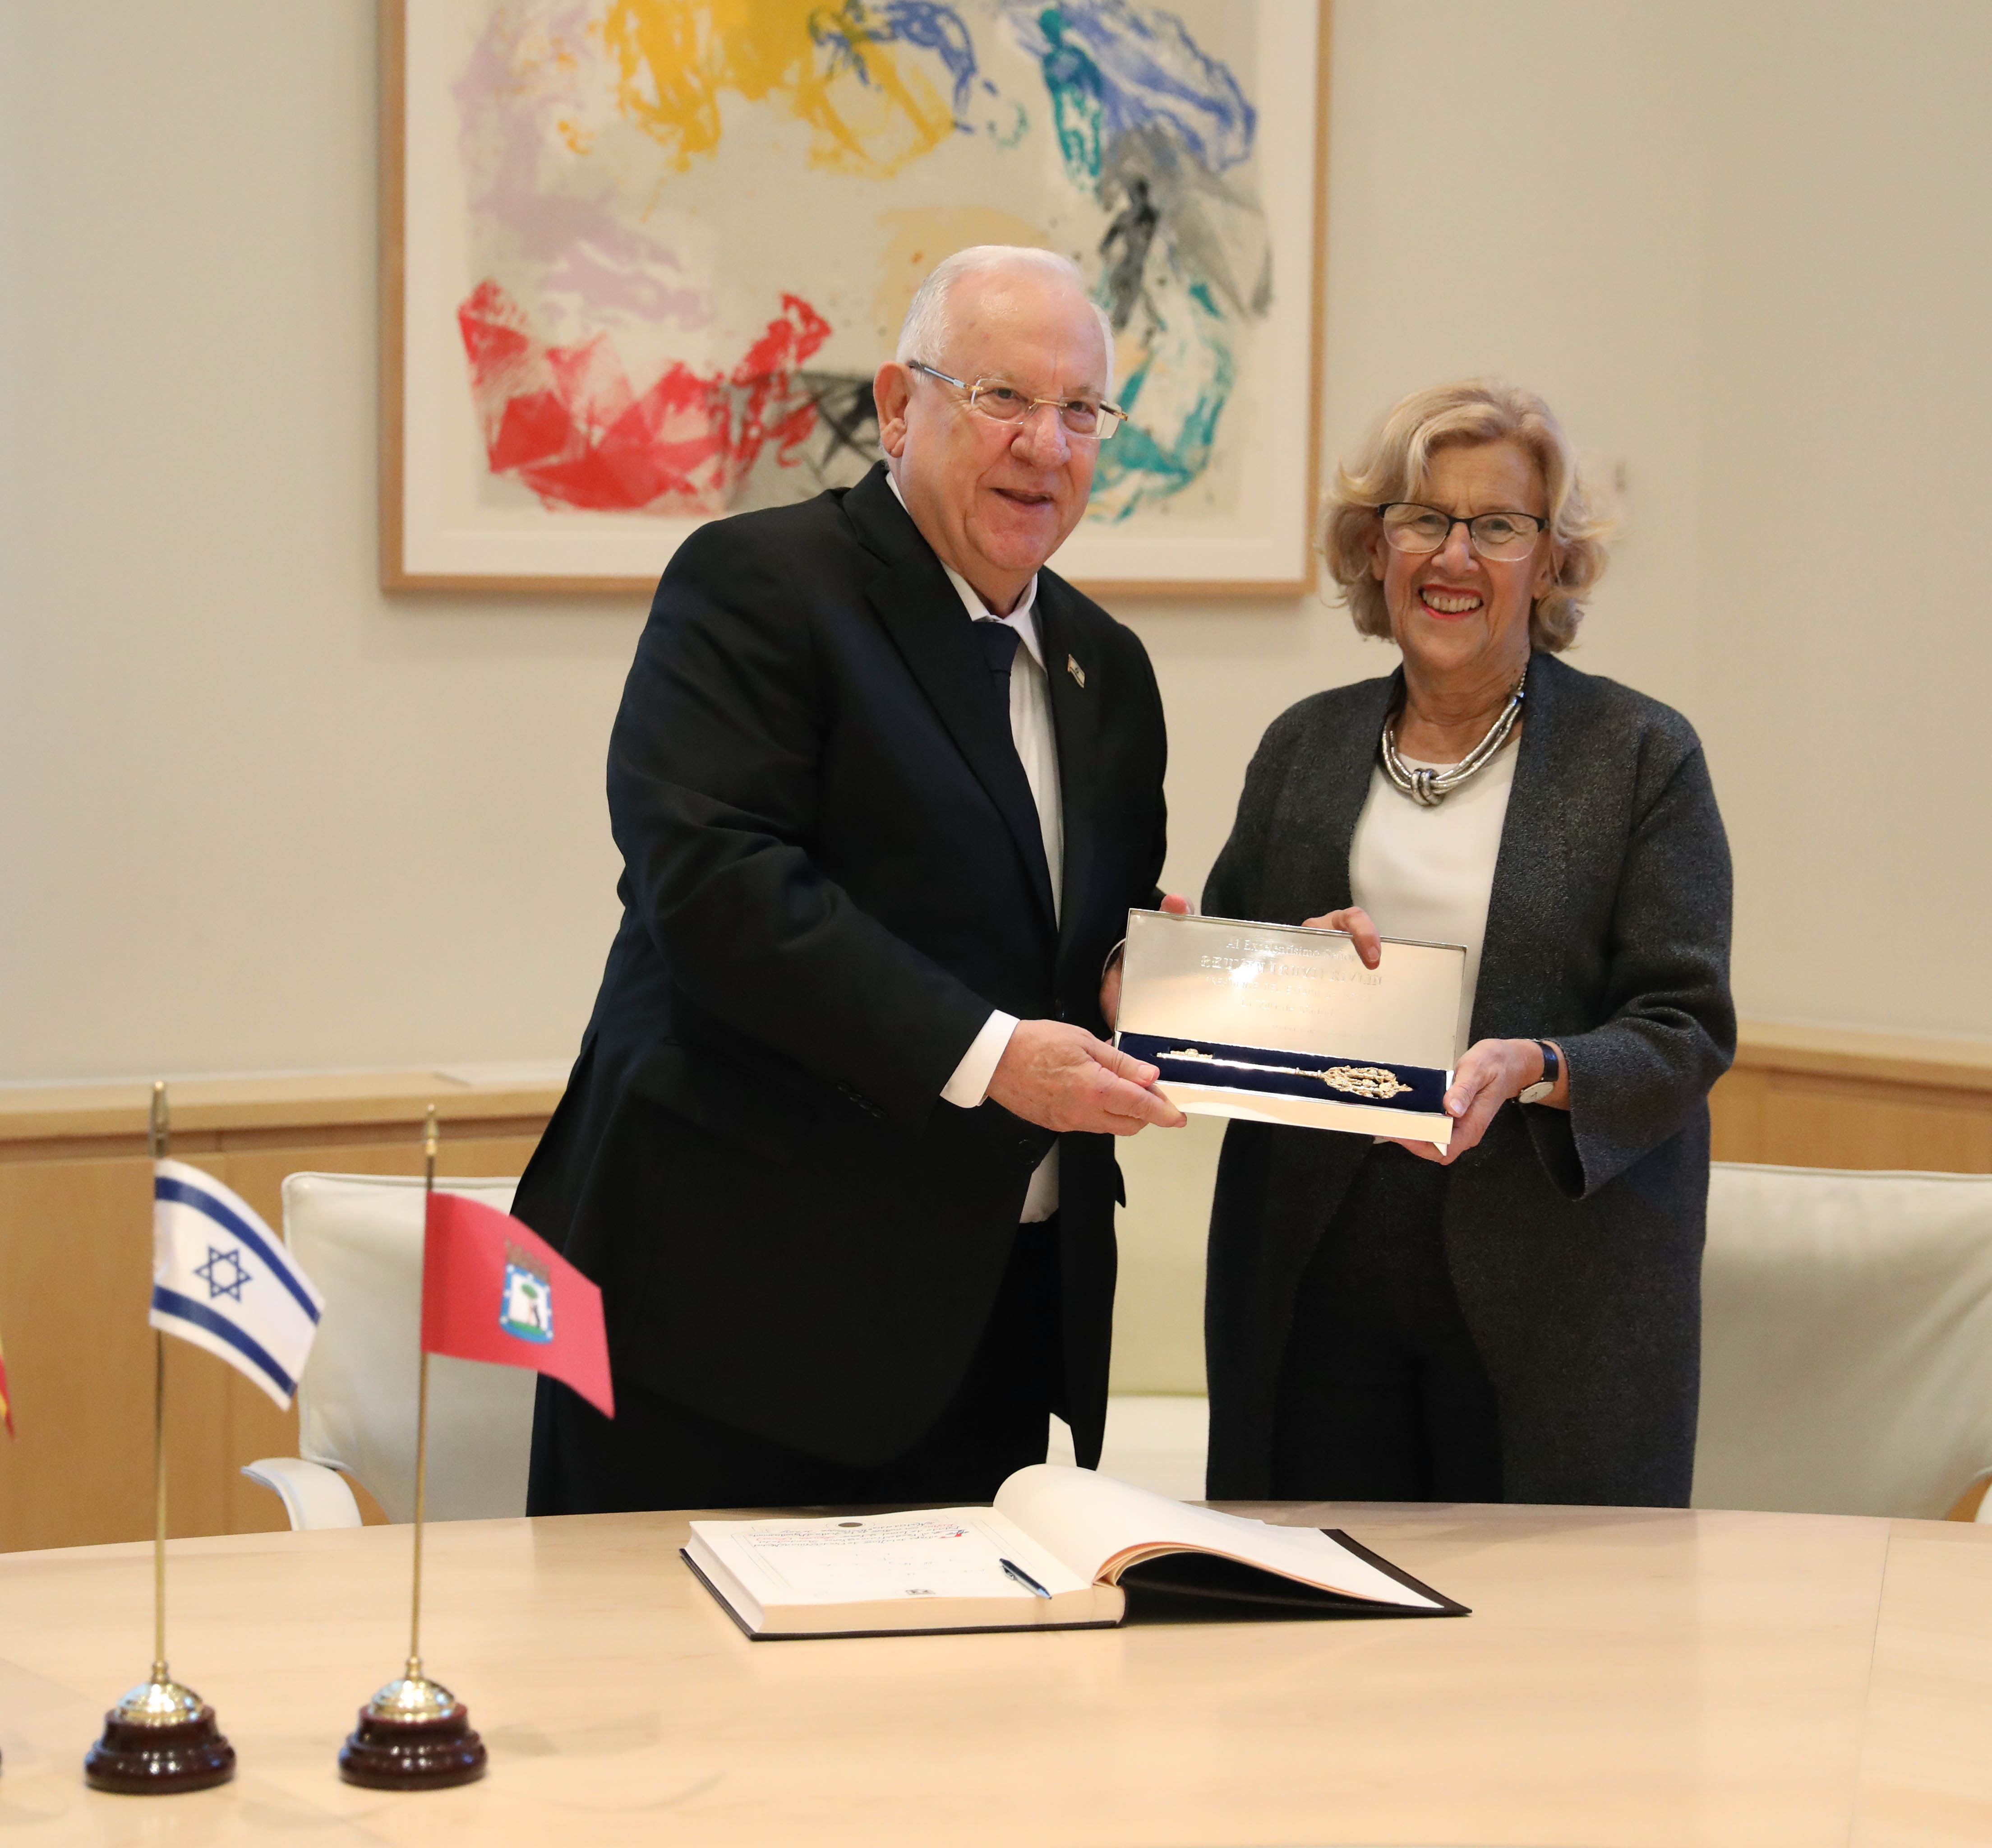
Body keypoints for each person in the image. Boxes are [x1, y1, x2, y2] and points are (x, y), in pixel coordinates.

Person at [516, 246, 1187, 1515]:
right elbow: (717, 886)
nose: (1045, 445)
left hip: (984, 1321)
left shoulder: (1108, 667)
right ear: (897, 406)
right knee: (661, 1645)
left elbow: (1077, 938)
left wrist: (1186, 980)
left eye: (1080, 410)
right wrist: (995, 1055)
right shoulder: (760, 585)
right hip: (725, 1317)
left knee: (956, 1656)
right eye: (1002, 397)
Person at [1201, 379, 1734, 1508]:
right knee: (1313, 1600)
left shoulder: (1640, 755)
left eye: (1498, 525)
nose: (1455, 555)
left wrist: (1539, 1063)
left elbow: (1685, 1025)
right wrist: (1290, 969)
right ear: (1376, 547)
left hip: (1558, 1291)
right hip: (1316, 1281)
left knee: (1538, 1614)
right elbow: (1226, 988)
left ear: (1550, 562)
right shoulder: (1303, 747)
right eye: (1423, 518)